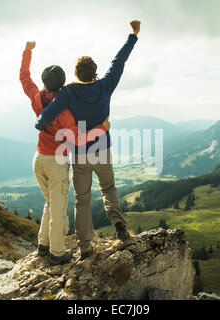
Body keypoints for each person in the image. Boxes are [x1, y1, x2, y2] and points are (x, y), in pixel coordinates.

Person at [34, 20, 141, 259]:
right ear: (95, 72)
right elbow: (118, 61)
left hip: (80, 154)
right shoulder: (106, 86)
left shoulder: (67, 93)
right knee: (109, 188)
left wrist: (44, 126)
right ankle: (120, 228)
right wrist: (133, 35)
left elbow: (43, 119)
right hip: (102, 150)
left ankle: (84, 246)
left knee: (81, 200)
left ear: (75, 74)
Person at [20, 41, 109, 265]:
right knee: (58, 210)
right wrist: (101, 129)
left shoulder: (35, 98)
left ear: (44, 83)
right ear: (62, 85)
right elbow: (78, 138)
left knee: (50, 203)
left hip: (38, 159)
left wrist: (28, 51)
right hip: (56, 162)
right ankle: (57, 253)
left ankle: (43, 244)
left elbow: (24, 77)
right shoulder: (64, 112)